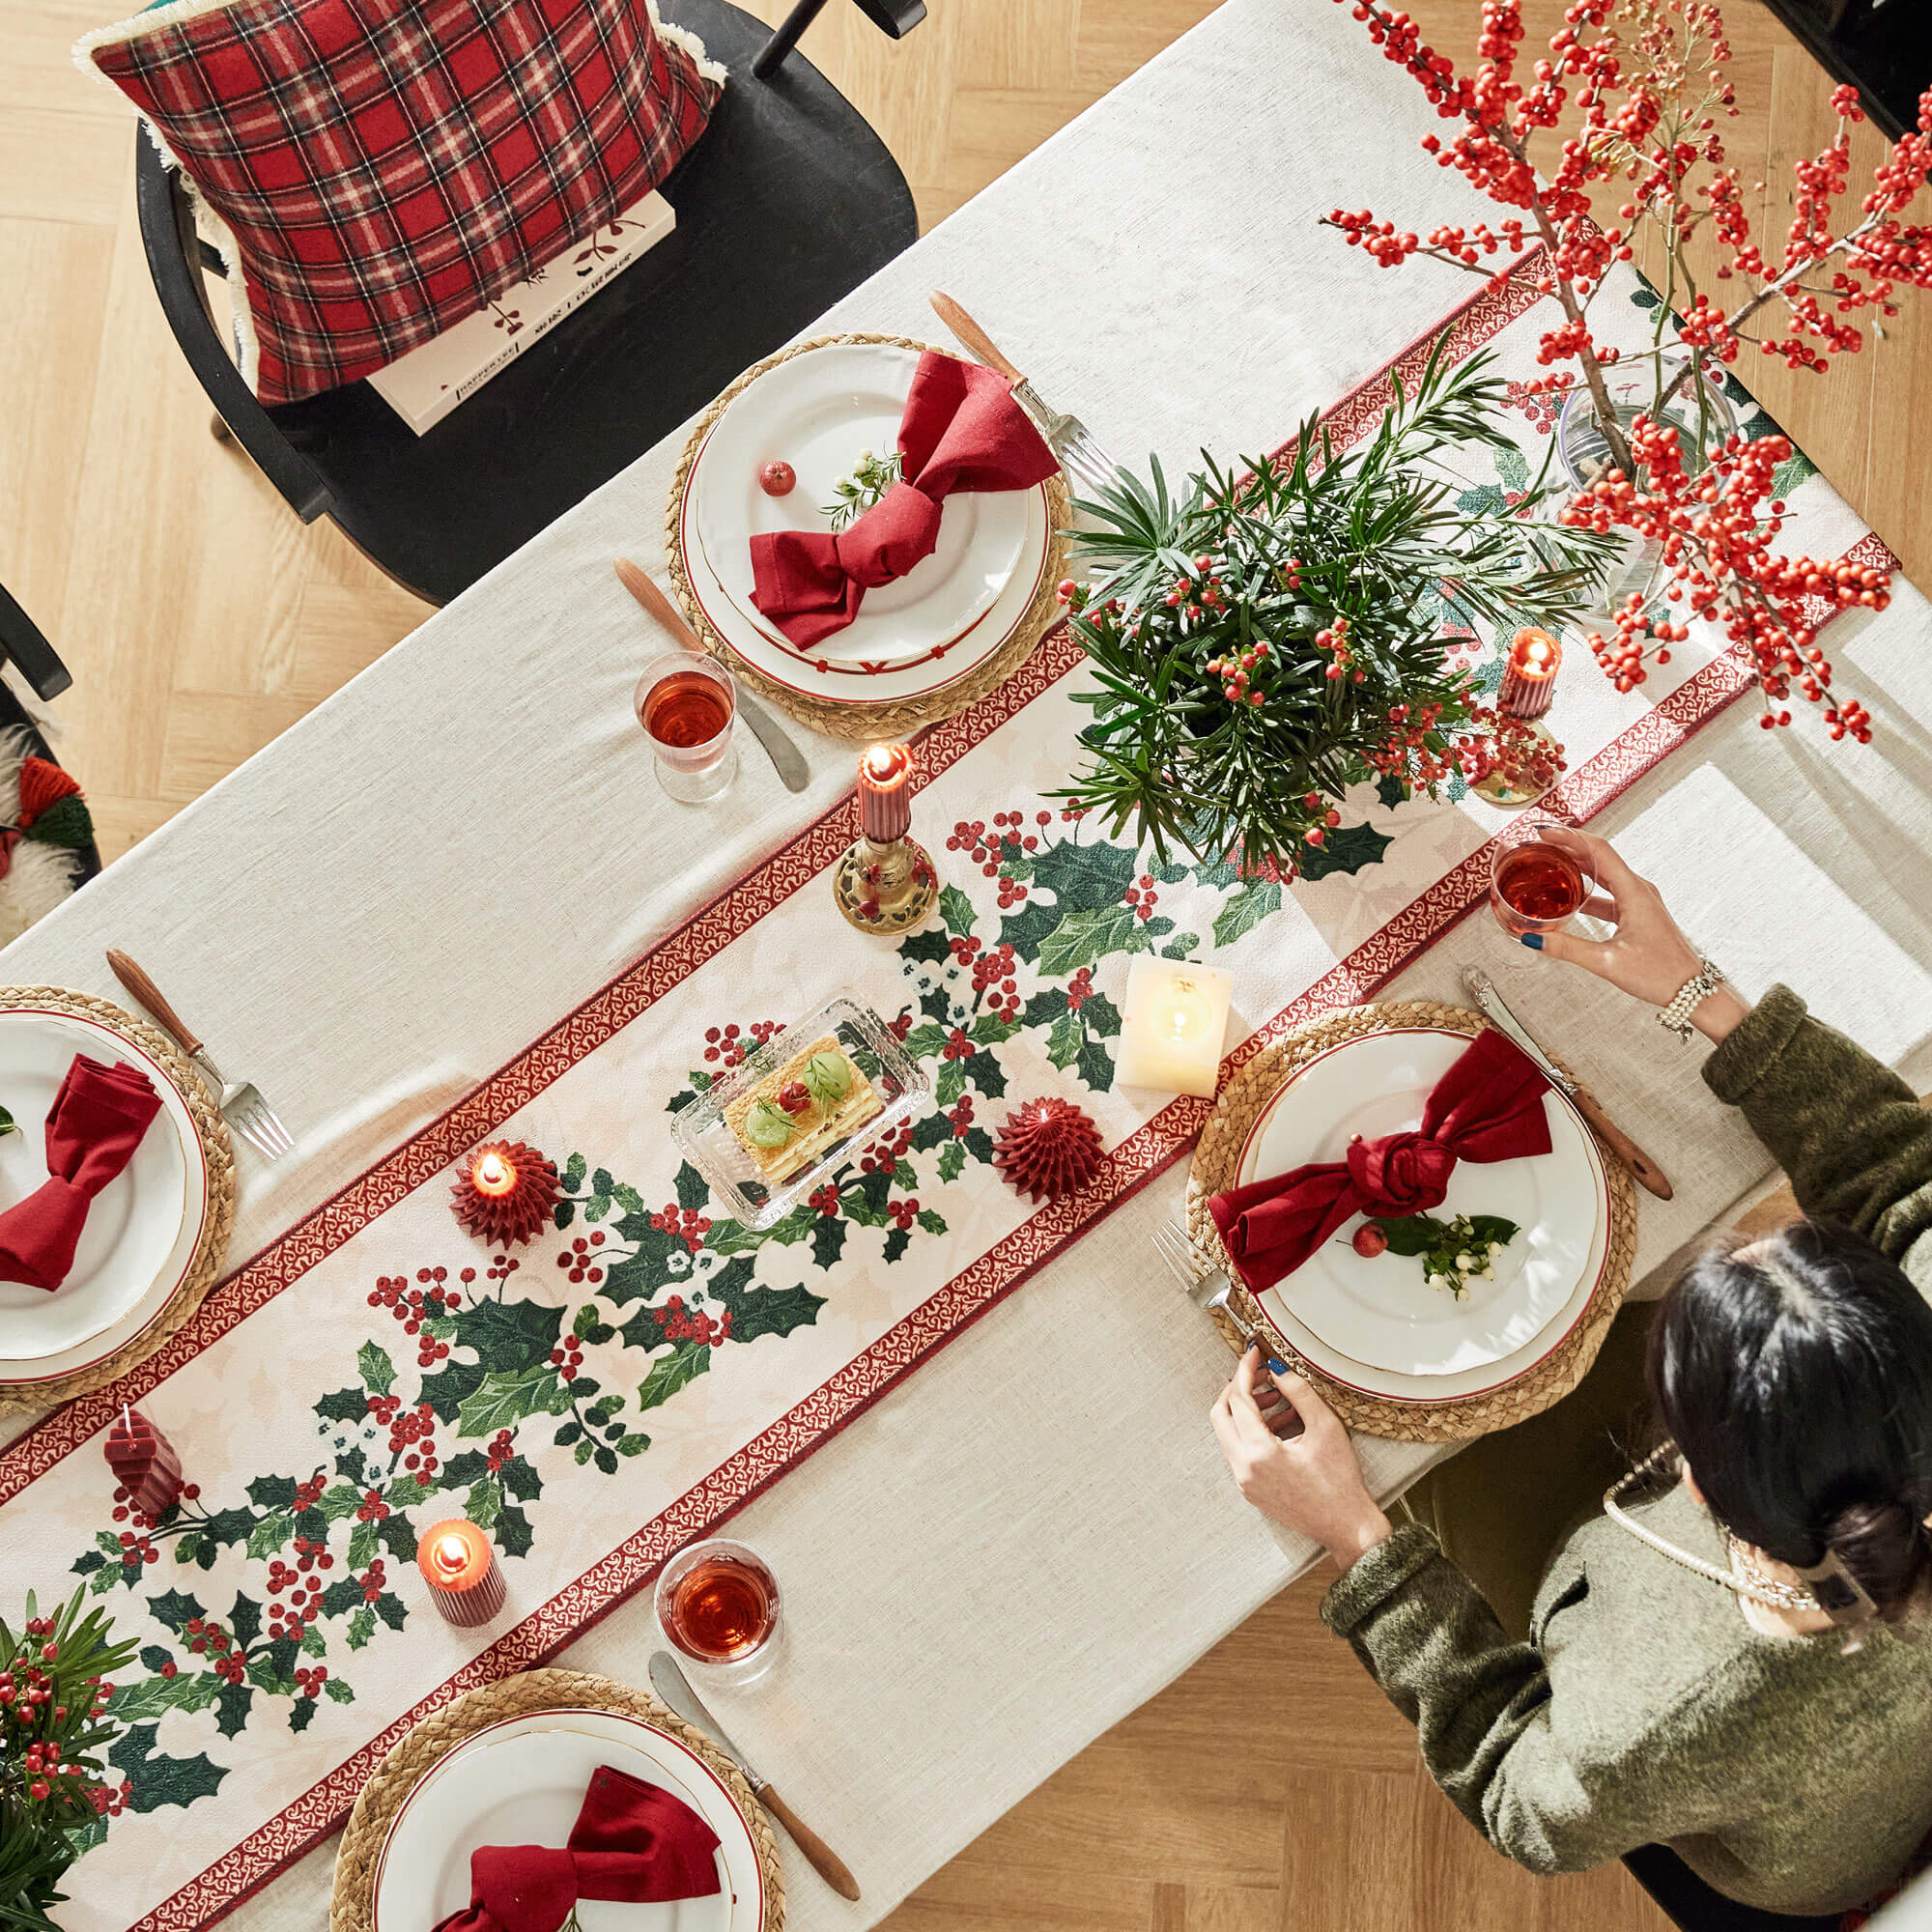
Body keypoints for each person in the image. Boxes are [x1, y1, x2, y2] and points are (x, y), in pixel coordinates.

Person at [1210, 824, 1932, 1916]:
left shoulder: (1661, 1710)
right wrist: (1690, 988)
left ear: (1686, 1467)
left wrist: (1355, 1542)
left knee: (1402, 1448)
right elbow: (1899, 1171)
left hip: (1812, 1843)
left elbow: (1521, 1792)